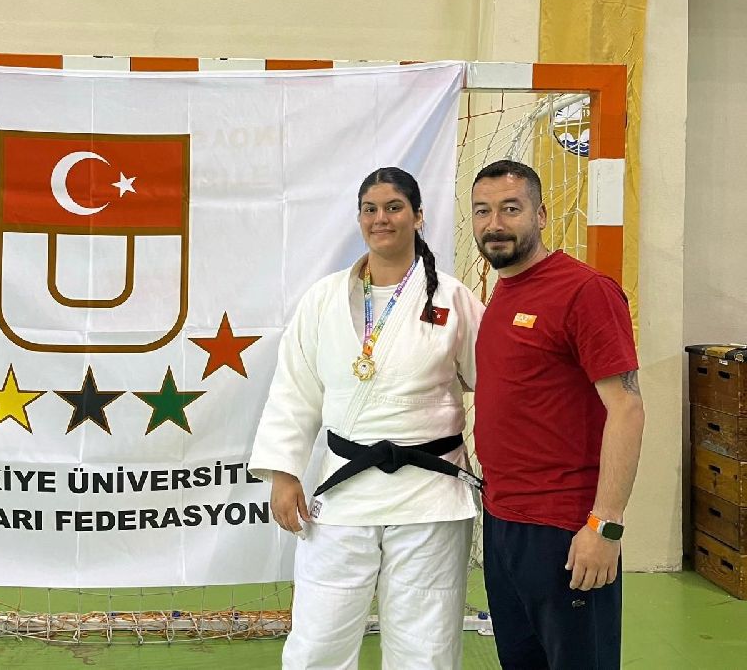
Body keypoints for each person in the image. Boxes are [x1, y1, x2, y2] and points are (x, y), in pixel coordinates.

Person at [248, 166, 485, 670]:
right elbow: (294, 389)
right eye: (370, 209)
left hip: (431, 493)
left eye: (394, 207)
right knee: (318, 639)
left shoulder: (453, 299)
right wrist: (284, 473)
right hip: (344, 488)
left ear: (418, 217)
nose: (381, 219)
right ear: (359, 219)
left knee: (426, 644)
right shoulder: (324, 299)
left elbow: (491, 383)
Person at [470, 159, 645, 669]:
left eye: (511, 209)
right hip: (504, 524)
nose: (494, 224)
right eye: (482, 211)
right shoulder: (504, 293)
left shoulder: (584, 291)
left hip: (565, 531)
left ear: (542, 215)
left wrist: (604, 526)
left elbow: (627, 408)